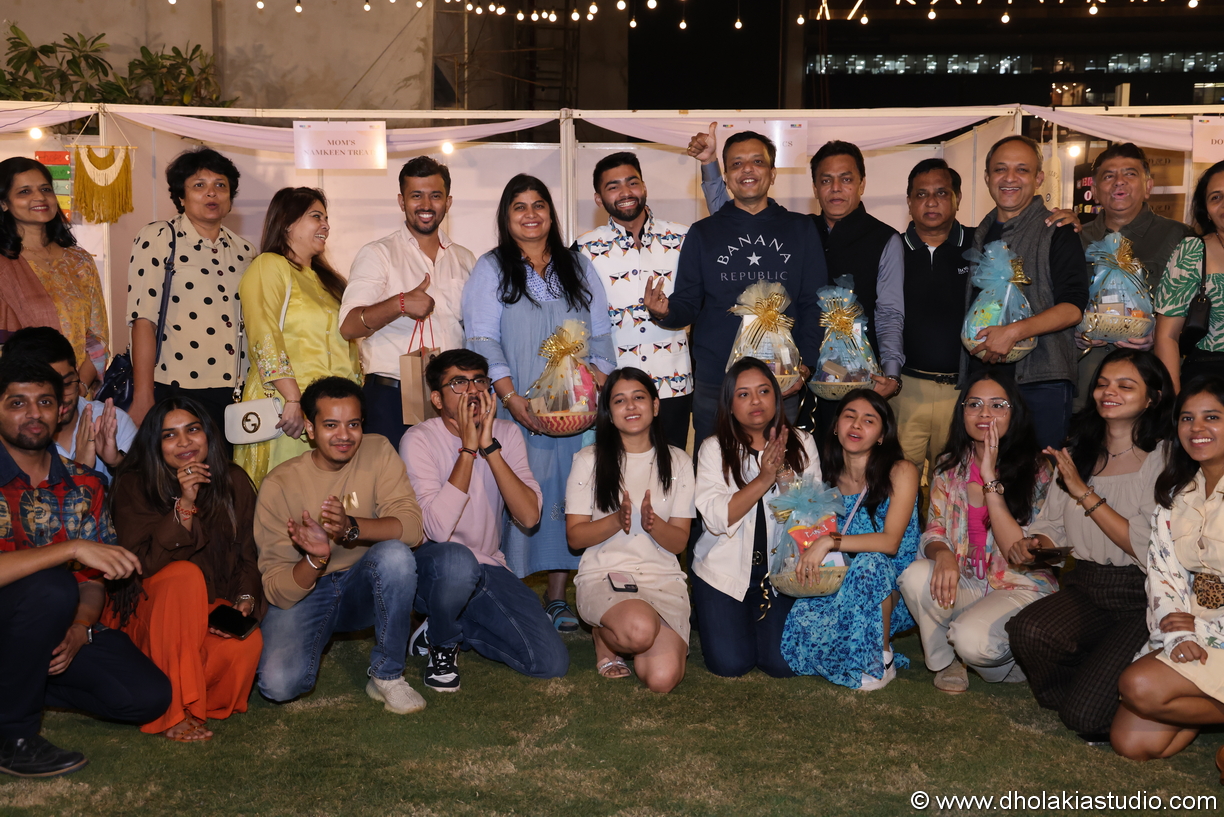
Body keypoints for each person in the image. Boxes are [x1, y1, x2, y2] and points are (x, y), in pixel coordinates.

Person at [0, 357, 170, 777]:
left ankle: (21, 684)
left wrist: (79, 628)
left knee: (148, 696)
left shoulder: (85, 483)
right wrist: (71, 548)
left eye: (44, 402)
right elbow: (66, 569)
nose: (33, 413)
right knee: (52, 586)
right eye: (17, 403)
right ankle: (14, 740)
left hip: (50, 630)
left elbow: (93, 581)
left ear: (62, 409)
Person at [461, 174, 616, 633]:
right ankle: (505, 595)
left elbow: (601, 334)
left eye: (539, 205)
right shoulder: (491, 268)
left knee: (570, 494)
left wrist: (597, 387)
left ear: (551, 212)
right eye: (520, 207)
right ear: (506, 217)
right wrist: (510, 397)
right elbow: (482, 339)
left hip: (577, 411)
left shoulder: (578, 265)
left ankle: (556, 597)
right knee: (513, 495)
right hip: (516, 409)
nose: (531, 214)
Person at [1006, 349, 1172, 742]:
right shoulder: (1078, 452)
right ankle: (1095, 683)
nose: (1108, 392)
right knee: (1028, 630)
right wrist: (1034, 544)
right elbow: (1053, 527)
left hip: (1142, 596)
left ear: (1152, 398)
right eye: (1102, 384)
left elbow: (1144, 544)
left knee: (1084, 719)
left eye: (1125, 386)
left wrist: (1084, 492)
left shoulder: (1163, 456)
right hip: (1086, 585)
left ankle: (1102, 694)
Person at [687, 128, 902, 404]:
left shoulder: (884, 238)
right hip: (796, 372)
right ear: (815, 188)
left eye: (846, 179)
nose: (836, 188)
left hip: (856, 371)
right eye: (826, 180)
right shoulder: (799, 227)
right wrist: (710, 165)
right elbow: (731, 222)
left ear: (862, 184)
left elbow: (889, 314)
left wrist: (892, 373)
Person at [254, 377, 426, 713]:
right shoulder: (279, 484)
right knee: (278, 685)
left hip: (363, 584)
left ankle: (388, 675)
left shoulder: (378, 451)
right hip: (308, 589)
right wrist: (315, 559)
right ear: (310, 428)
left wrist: (351, 528)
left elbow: (412, 529)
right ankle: (317, 631)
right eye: (331, 425)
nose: (344, 435)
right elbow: (277, 590)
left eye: (353, 424)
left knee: (395, 555)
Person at [400, 349, 568, 692]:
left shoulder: (506, 434)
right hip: (435, 566)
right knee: (457, 561)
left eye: (479, 381)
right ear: (437, 398)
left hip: (489, 567)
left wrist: (489, 447)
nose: (473, 391)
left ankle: (446, 623)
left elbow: (529, 516)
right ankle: (443, 642)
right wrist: (467, 449)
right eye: (458, 383)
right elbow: (438, 530)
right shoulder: (419, 439)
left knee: (550, 662)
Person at [646, 131, 827, 446]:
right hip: (717, 382)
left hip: (780, 379)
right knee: (714, 469)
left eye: (758, 162)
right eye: (737, 164)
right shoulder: (703, 233)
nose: (748, 170)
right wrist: (665, 311)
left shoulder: (801, 229)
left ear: (772, 173)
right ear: (727, 177)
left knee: (777, 466)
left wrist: (806, 366)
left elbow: (814, 304)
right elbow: (688, 302)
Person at [105, 396, 264, 742]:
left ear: (207, 434)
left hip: (204, 610)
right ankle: (171, 709)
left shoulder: (233, 480)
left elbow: (248, 556)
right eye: (170, 435)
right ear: (155, 444)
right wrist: (185, 504)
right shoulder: (134, 484)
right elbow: (142, 565)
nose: (184, 442)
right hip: (151, 612)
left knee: (243, 645)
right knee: (183, 576)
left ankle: (195, 699)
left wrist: (245, 600)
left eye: (192, 430)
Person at [897, 370, 1055, 692]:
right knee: (914, 576)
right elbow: (934, 529)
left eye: (997, 405)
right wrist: (943, 554)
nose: (984, 413)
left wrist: (989, 476)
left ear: (1014, 412)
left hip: (1018, 585)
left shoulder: (1037, 469)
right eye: (974, 404)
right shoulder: (948, 466)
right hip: (967, 580)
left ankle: (1004, 660)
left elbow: (1025, 552)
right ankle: (947, 661)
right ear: (962, 412)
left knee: (973, 642)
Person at [1110, 376, 1224, 774]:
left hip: (1217, 629)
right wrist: (1179, 634)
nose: (1197, 428)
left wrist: (1204, 630)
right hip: (1191, 623)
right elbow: (1163, 572)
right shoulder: (1177, 493)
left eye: (1212, 417)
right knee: (1132, 743)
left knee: (1138, 685)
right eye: (1187, 418)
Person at [781, 389, 920, 691]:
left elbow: (890, 543)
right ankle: (850, 649)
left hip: (889, 588)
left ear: (881, 435)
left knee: (871, 563)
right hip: (837, 582)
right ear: (835, 426)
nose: (856, 425)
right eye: (850, 416)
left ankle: (881, 658)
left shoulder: (901, 471)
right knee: (799, 633)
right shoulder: (826, 481)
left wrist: (830, 541)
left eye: (869, 420)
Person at [566, 367, 695, 692]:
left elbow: (679, 542)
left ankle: (638, 630)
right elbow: (575, 537)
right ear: (609, 413)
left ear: (655, 405)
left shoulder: (679, 461)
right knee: (639, 631)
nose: (631, 406)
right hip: (606, 575)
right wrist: (615, 520)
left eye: (639, 397)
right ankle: (604, 637)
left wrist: (653, 524)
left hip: (661, 580)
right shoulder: (588, 460)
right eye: (619, 400)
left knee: (662, 680)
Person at [692, 357, 821, 678]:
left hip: (781, 575)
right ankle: (716, 614)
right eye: (743, 394)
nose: (755, 401)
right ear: (730, 404)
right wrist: (764, 479)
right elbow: (716, 519)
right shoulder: (713, 448)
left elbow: (814, 518)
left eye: (764, 391)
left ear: (776, 397)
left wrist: (786, 479)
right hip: (722, 573)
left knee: (782, 665)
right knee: (730, 664)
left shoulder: (802, 443)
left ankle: (754, 621)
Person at [964, 135, 1090, 450]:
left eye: (1022, 170)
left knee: (1039, 474)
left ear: (1038, 178)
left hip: (1041, 382)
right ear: (987, 177)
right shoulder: (980, 233)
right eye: (1000, 169)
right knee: (987, 472)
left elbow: (1073, 307)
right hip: (985, 381)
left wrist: (1013, 332)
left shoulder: (1057, 231)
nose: (1010, 178)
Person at [341, 156, 476, 448]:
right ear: (401, 201)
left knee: (456, 475)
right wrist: (399, 304)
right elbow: (349, 326)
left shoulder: (465, 259)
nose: (426, 204)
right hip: (392, 399)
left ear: (448, 202)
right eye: (416, 196)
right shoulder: (378, 254)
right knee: (393, 478)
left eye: (435, 196)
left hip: (452, 400)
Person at [234, 188, 362, 487]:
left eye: (327, 219)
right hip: (286, 409)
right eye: (316, 216)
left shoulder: (328, 281)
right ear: (287, 223)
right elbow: (264, 333)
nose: (326, 226)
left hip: (329, 413)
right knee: (287, 493)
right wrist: (293, 398)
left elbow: (348, 348)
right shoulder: (269, 265)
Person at [126, 148, 255, 432]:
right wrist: (143, 395)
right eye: (199, 185)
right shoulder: (160, 236)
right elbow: (143, 320)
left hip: (239, 390)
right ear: (181, 197)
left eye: (220, 185)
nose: (212, 193)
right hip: (178, 388)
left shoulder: (245, 250)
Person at [575, 152, 693, 451]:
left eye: (632, 182)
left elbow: (698, 304)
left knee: (672, 466)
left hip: (672, 382)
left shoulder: (684, 238)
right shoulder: (583, 249)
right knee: (616, 469)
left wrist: (667, 313)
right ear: (599, 199)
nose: (625, 192)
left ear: (644, 187)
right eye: (613, 186)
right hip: (614, 386)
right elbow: (577, 319)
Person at [1073, 144, 1192, 410]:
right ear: (1095, 190)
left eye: (1130, 173)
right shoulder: (1074, 238)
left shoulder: (1179, 237)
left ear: (1148, 186)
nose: (1119, 181)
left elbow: (1199, 309)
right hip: (1087, 381)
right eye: (1108, 175)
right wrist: (1072, 332)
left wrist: (1163, 334)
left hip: (1153, 380)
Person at [894, 159, 974, 478]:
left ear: (957, 197)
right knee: (898, 481)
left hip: (962, 390)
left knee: (954, 485)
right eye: (921, 194)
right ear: (909, 201)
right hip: (904, 390)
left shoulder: (979, 245)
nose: (931, 201)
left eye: (941, 192)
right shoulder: (891, 249)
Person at [0, 157, 108, 390]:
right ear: (4, 203)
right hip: (20, 395)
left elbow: (97, 337)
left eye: (45, 189)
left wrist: (77, 386)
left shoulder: (79, 260)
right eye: (25, 191)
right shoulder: (4, 266)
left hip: (78, 394)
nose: (39, 197)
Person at [2, 326, 136, 483]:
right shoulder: (11, 437)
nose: (61, 398)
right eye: (45, 396)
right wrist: (80, 471)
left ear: (77, 373)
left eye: (67, 383)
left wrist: (116, 462)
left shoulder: (113, 422)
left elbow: (147, 491)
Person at [1153, 160, 1224, 392]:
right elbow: (1167, 336)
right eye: (1216, 197)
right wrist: (1174, 402)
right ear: (1207, 211)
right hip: (1208, 384)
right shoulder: (1193, 251)